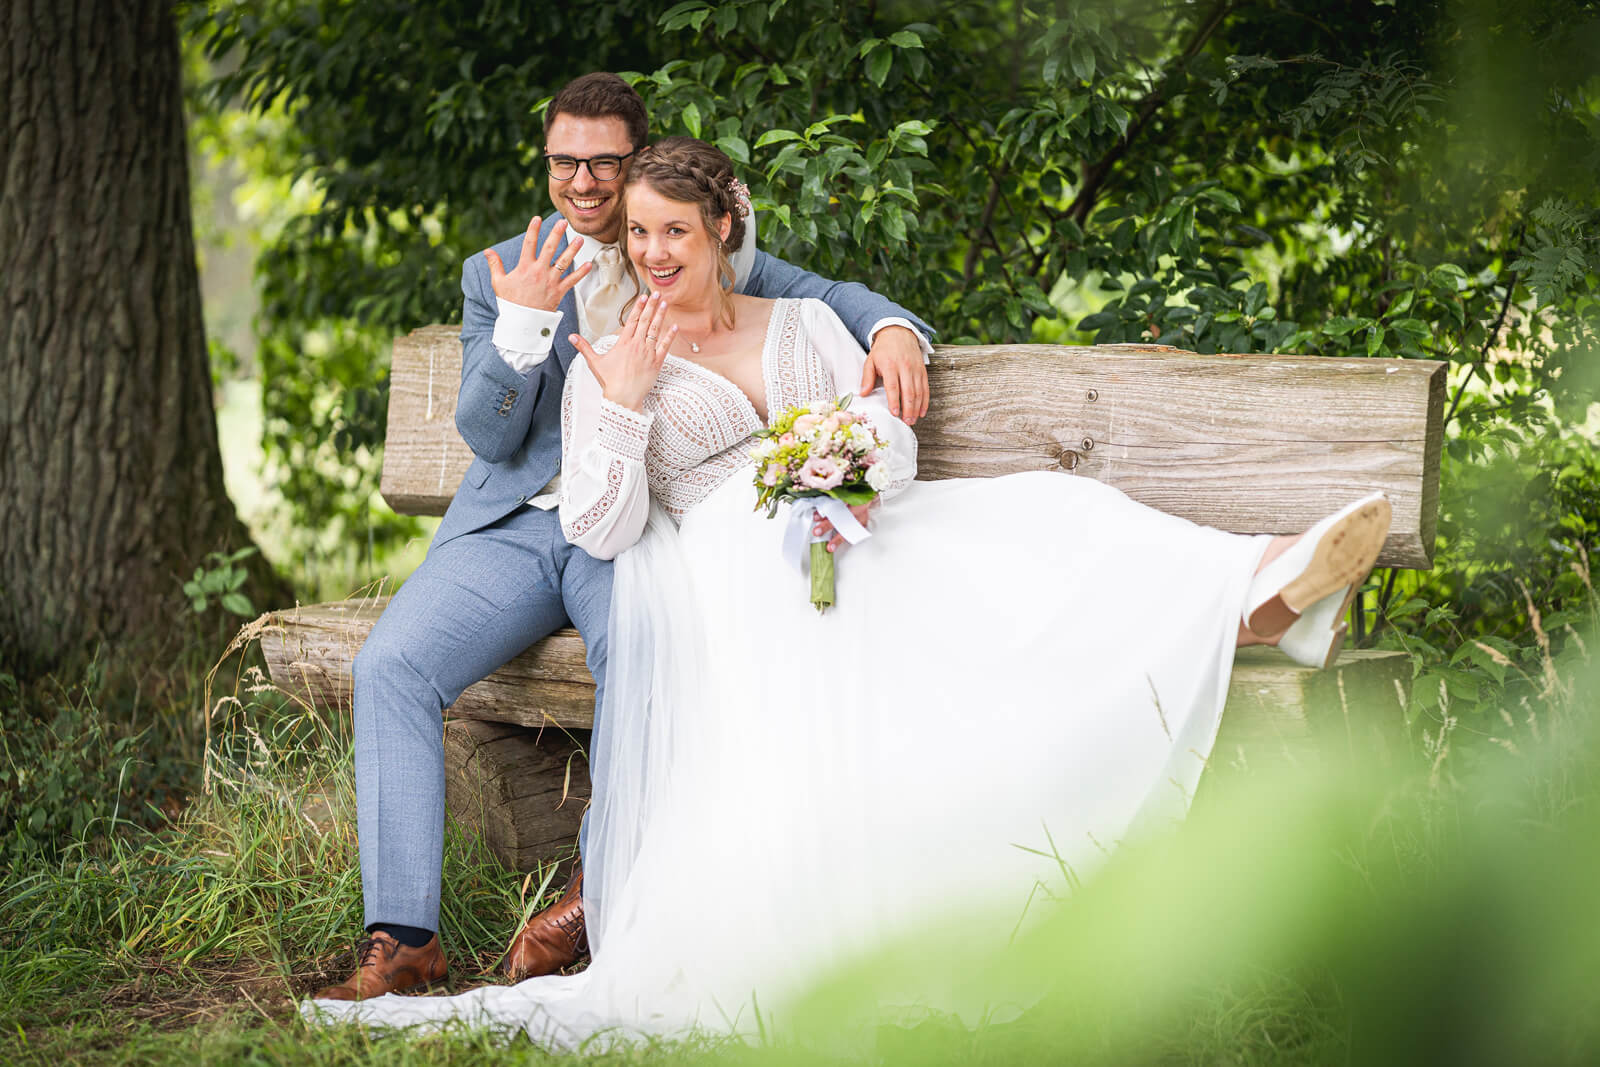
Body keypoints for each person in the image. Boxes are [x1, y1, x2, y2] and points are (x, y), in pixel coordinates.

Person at [307, 138, 1393, 1043]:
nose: (650, 252)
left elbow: (881, 426)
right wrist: (629, 403)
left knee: (1051, 513)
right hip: (726, 562)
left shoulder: (805, 323)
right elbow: (601, 525)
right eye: (638, 234)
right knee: (912, 599)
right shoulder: (609, 358)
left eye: (672, 230)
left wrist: (847, 475)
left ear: (724, 228)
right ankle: (1251, 606)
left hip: (853, 525)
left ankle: (1261, 577)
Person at [315, 77, 935, 1001]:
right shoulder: (502, 270)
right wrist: (523, 322)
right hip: (521, 524)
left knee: (647, 662)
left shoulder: (681, 238)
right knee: (390, 666)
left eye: (605, 159)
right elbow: (487, 437)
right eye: (566, 161)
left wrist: (891, 326)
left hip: (637, 527)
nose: (586, 182)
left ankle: (609, 904)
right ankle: (404, 941)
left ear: (636, 157)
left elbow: (823, 294)